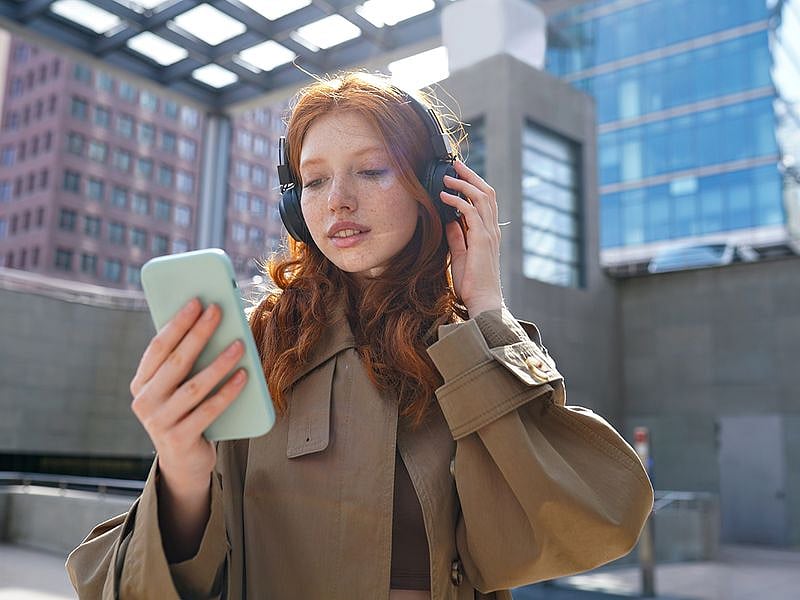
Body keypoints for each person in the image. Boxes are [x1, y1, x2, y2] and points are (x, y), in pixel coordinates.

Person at [66, 72, 653, 600]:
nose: (338, 201)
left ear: (437, 186)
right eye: (314, 181)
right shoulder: (258, 342)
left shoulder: (468, 347)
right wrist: (181, 472)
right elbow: (147, 583)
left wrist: (486, 312)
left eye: (371, 171)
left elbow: (587, 526)